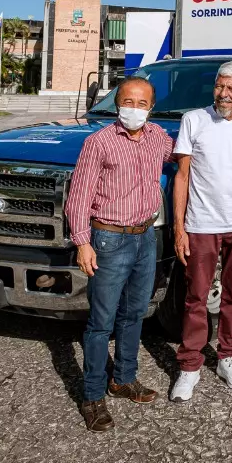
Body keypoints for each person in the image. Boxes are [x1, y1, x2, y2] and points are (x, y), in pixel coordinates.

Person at [66, 77, 173, 432]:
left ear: (151, 107)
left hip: (145, 237)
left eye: (142, 103)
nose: (134, 109)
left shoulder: (158, 137)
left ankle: (124, 379)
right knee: (101, 322)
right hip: (108, 239)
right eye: (128, 101)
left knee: (135, 314)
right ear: (117, 104)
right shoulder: (99, 142)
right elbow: (78, 196)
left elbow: (187, 153)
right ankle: (93, 395)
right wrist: (82, 242)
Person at [169, 61, 232, 402]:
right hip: (201, 223)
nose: (224, 94)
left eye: (231, 88)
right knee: (196, 297)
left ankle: (228, 357)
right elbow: (182, 176)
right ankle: (190, 366)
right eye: (219, 86)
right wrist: (179, 228)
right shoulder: (193, 120)